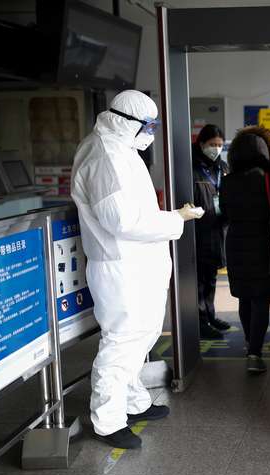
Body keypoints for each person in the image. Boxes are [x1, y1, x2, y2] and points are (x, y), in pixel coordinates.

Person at [71, 90, 202, 449]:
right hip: (120, 267)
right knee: (121, 344)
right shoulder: (103, 155)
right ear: (123, 120)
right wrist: (175, 219)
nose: (151, 133)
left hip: (137, 266)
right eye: (147, 126)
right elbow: (122, 221)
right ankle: (107, 420)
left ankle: (131, 401)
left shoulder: (121, 149)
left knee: (140, 340)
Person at [219, 126, 270, 373]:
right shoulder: (269, 180)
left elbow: (225, 215)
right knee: (261, 299)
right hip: (262, 245)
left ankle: (250, 342)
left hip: (236, 244)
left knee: (244, 297)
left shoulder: (227, 182)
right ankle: (254, 353)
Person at [192, 124, 231, 340]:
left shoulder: (222, 167)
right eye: (211, 145)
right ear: (201, 144)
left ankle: (210, 315)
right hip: (198, 230)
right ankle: (200, 322)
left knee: (212, 276)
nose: (216, 149)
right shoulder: (193, 168)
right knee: (199, 279)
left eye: (219, 145)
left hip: (217, 229)